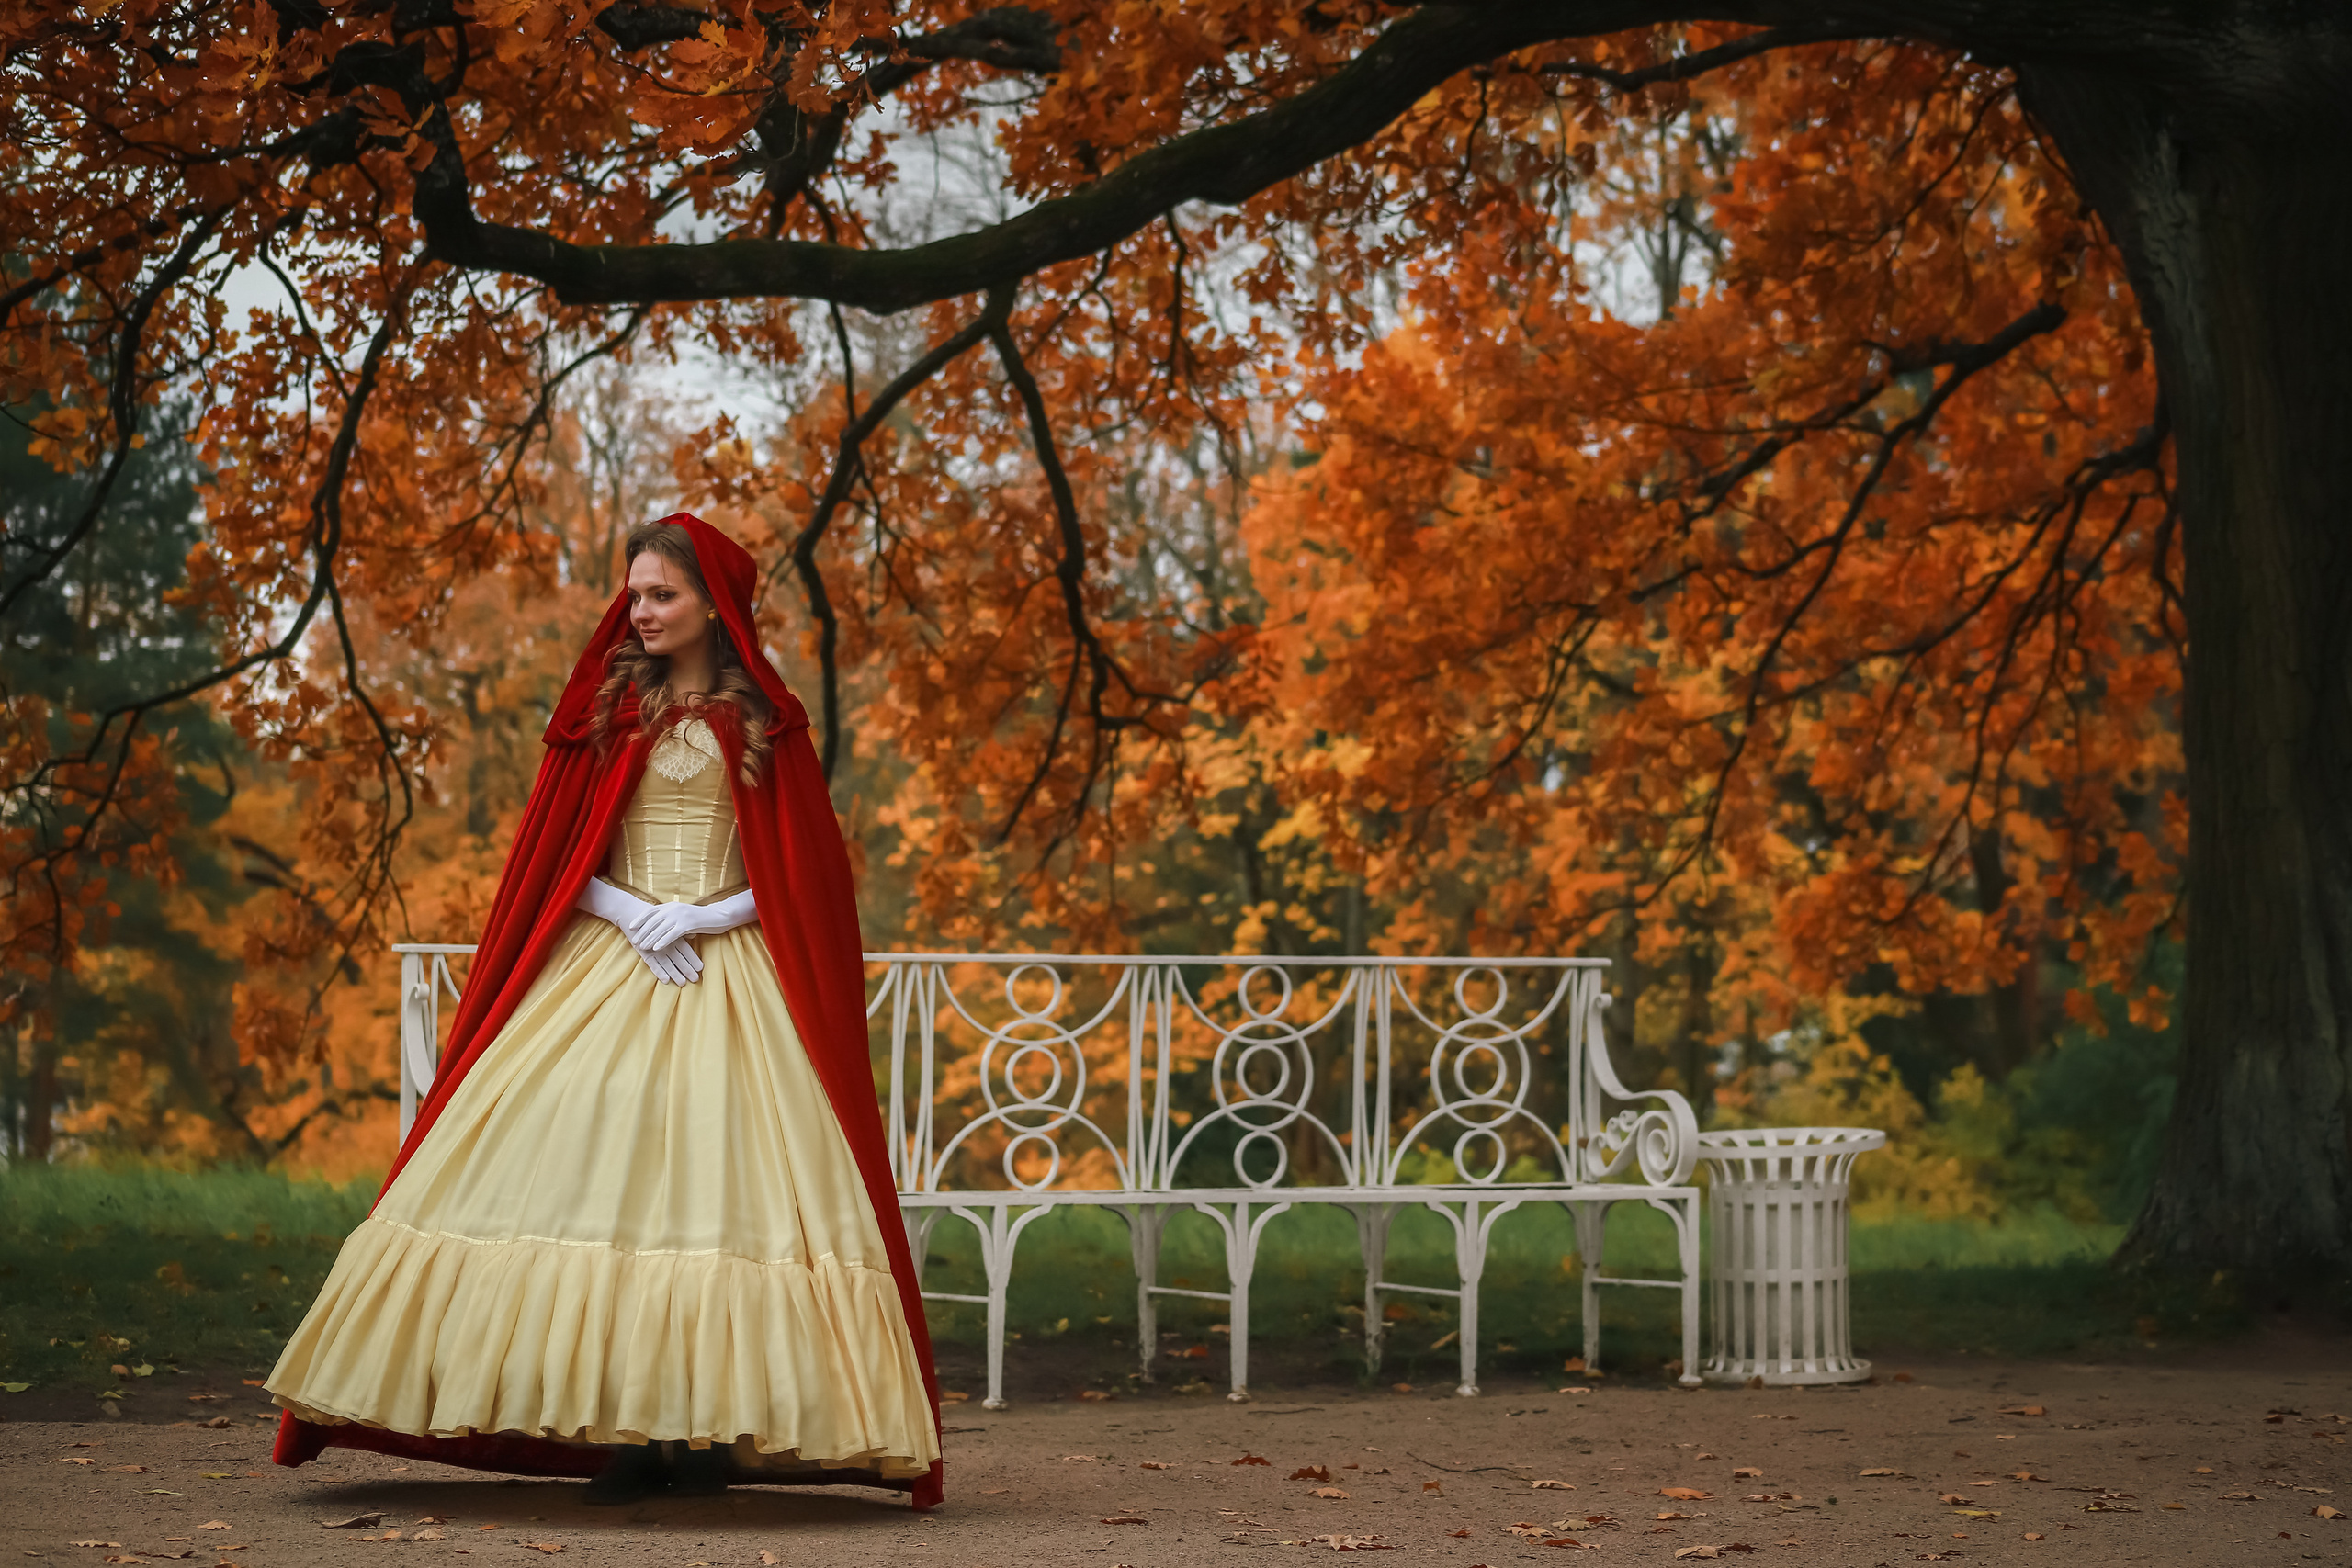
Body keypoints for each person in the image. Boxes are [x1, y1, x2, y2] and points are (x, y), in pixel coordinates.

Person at [265, 515, 943, 1507]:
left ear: (714, 603)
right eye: (634, 595)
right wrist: (628, 909)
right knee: (580, 1158)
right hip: (607, 955)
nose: (642, 611)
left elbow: (803, 877)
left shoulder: (767, 722)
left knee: (724, 1187)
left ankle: (703, 1434)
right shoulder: (606, 710)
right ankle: (622, 1431)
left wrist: (707, 914)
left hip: (733, 969)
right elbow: (556, 854)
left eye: (661, 594)